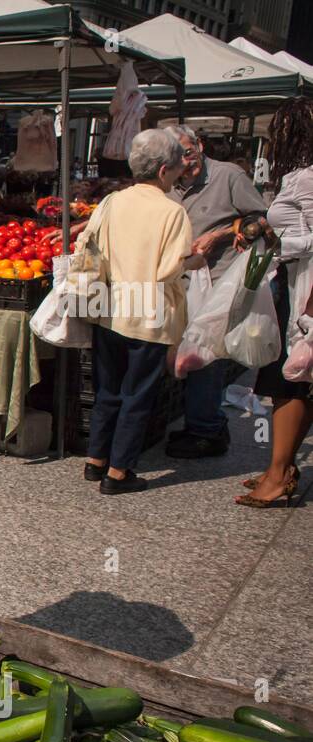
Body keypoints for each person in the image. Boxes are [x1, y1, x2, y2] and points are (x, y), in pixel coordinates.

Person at [80, 129, 201, 496]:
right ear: (164, 170)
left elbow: (90, 248)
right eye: (179, 166)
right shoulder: (172, 212)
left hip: (110, 307)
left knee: (108, 389)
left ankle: (95, 459)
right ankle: (118, 473)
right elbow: (171, 268)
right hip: (147, 313)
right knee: (137, 393)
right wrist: (200, 258)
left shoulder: (113, 201)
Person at [167, 125, 268, 459]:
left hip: (218, 280)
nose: (186, 161)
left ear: (199, 145)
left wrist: (221, 235)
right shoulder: (168, 182)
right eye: (178, 156)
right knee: (187, 354)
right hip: (180, 282)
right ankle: (204, 420)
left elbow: (260, 221)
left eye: (189, 152)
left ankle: (205, 429)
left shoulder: (229, 176)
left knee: (205, 354)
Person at [238, 96, 313, 508]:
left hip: (304, 291)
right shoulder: (298, 176)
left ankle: (279, 474)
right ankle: (278, 468)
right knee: (290, 380)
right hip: (291, 281)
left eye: (278, 131)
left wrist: (278, 243)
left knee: (287, 382)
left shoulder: (307, 177)